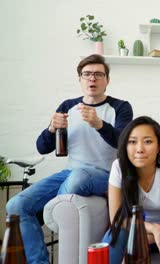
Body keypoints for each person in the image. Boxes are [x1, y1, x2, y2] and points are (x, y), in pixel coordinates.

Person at [6, 54, 133, 263]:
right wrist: (51, 128)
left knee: (79, 178)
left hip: (106, 175)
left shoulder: (120, 107)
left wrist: (99, 124)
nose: (92, 79)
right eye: (87, 74)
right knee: (15, 206)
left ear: (107, 80)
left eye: (98, 74)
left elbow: (125, 143)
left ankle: (46, 210)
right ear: (80, 79)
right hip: (70, 173)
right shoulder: (67, 106)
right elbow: (42, 147)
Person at [102, 116, 160, 263]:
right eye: (132, 142)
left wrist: (150, 237)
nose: (140, 149)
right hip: (134, 230)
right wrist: (154, 229)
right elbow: (118, 219)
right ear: (125, 146)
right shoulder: (118, 167)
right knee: (111, 239)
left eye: (148, 141)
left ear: (159, 147)